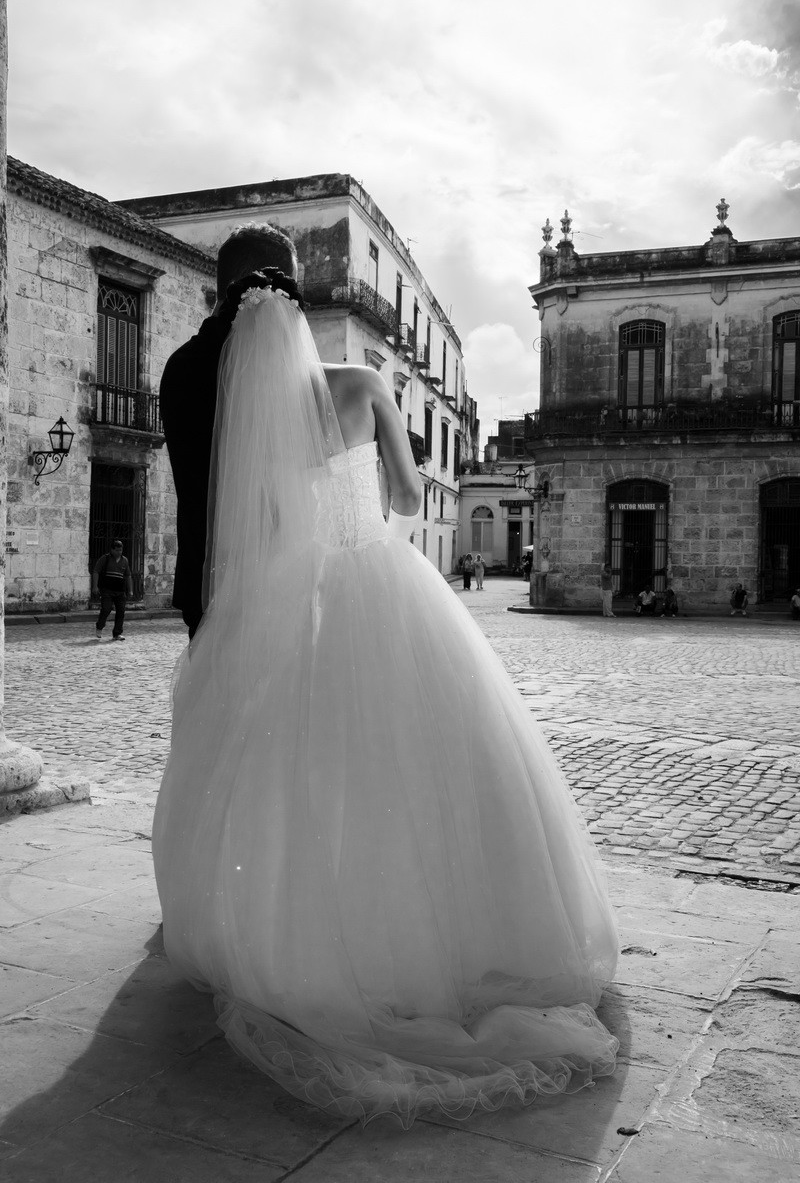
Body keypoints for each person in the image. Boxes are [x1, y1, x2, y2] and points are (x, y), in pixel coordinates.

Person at [152, 267, 618, 1129]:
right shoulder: (363, 386)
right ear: (305, 322)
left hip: (293, 593)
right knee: (427, 744)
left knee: (309, 760)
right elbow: (408, 494)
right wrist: (375, 539)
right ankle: (456, 929)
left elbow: (263, 525)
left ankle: (334, 930)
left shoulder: (254, 416)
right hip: (377, 575)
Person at [159, 223, 302, 638]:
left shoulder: (180, 364)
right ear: (264, 287)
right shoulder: (264, 371)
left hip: (202, 585)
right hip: (269, 585)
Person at [91, 539, 132, 641]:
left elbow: (128, 575)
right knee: (106, 609)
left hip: (120, 591)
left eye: (120, 550)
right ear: (112, 550)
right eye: (117, 550)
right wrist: (95, 586)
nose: (119, 552)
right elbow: (96, 571)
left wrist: (130, 590)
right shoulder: (105, 559)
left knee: (121, 611)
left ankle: (117, 633)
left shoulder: (125, 560)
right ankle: (100, 626)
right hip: (107, 590)